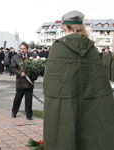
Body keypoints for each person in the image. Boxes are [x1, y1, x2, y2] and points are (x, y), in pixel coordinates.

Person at [43, 10, 114, 150]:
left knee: (64, 135)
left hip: (64, 103)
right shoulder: (92, 48)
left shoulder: (58, 47)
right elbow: (99, 81)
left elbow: (51, 82)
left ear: (64, 27)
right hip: (90, 102)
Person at [11, 42, 37, 120]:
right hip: (20, 82)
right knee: (18, 98)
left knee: (29, 100)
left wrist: (34, 77)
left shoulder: (32, 56)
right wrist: (20, 73)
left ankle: (29, 115)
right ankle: (14, 111)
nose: (22, 50)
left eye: (24, 48)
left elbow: (36, 68)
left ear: (27, 49)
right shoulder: (15, 57)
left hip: (29, 82)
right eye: (21, 48)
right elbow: (13, 68)